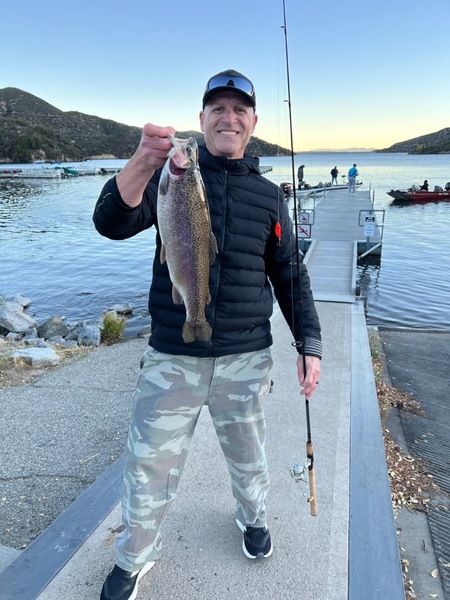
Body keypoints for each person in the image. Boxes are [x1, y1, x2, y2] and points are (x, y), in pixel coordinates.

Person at [93, 68, 322, 600]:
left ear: (253, 123)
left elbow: (290, 275)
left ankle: (253, 517)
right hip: (173, 354)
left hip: (246, 356)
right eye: (218, 108)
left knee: (249, 453)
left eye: (239, 109)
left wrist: (309, 343)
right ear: (202, 118)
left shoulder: (270, 197)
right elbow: (111, 222)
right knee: (148, 463)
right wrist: (143, 161)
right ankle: (134, 557)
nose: (228, 117)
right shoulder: (168, 181)